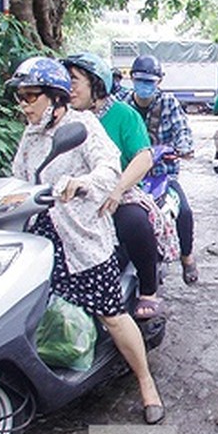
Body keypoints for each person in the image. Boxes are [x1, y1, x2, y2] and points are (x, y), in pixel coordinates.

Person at [7, 56, 164, 424]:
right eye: (22, 98)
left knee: (111, 313)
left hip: (82, 239)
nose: (25, 105)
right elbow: (18, 178)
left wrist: (84, 184)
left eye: (32, 97)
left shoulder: (84, 125)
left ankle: (145, 383)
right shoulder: (31, 136)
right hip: (40, 238)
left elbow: (109, 166)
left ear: (55, 97)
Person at [63, 52, 165, 320]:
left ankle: (148, 289)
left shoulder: (123, 115)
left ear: (96, 84)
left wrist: (117, 190)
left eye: (74, 80)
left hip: (117, 190)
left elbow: (143, 157)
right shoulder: (64, 117)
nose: (68, 87)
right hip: (72, 194)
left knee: (134, 222)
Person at [127, 54, 200, 285]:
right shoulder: (122, 104)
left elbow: (183, 131)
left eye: (150, 81)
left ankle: (187, 257)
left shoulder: (169, 103)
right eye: (141, 80)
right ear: (132, 79)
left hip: (162, 176)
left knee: (185, 212)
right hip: (130, 178)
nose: (145, 86)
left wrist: (183, 148)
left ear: (159, 81)